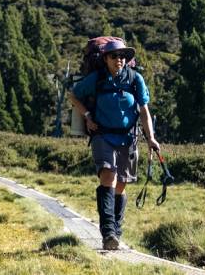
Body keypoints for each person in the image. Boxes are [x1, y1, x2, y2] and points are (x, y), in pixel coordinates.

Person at [68, 38, 161, 251]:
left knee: (121, 185)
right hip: (102, 136)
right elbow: (74, 96)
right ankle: (108, 232)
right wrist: (88, 116)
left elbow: (144, 111)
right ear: (106, 59)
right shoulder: (97, 78)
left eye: (122, 56)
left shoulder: (135, 79)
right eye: (114, 56)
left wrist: (151, 138)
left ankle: (116, 231)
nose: (119, 59)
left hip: (128, 138)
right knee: (108, 176)